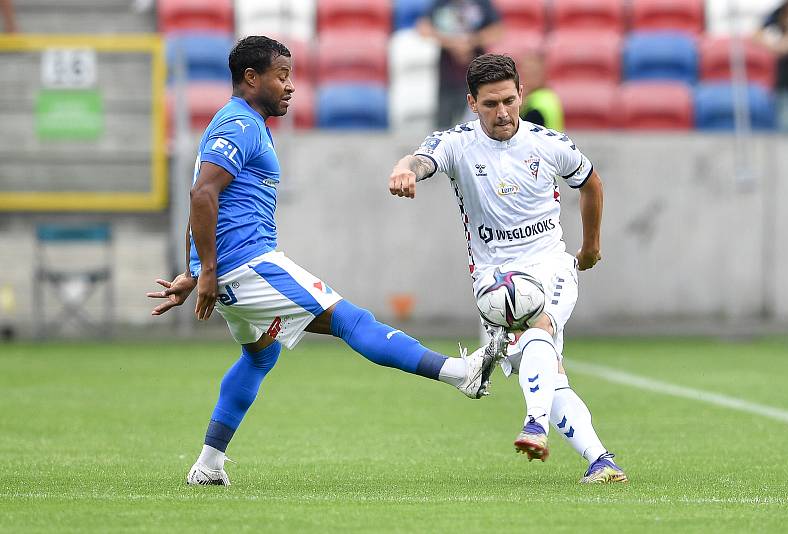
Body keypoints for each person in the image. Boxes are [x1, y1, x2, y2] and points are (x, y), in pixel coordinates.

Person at [147, 36, 495, 486]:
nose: (291, 86)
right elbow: (202, 194)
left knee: (259, 358)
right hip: (248, 265)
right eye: (282, 76)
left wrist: (195, 272)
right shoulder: (240, 125)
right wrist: (206, 272)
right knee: (352, 321)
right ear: (251, 78)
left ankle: (209, 465)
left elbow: (207, 193)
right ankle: (459, 373)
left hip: (231, 268)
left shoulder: (241, 123)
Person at [387, 54, 627, 484]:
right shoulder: (458, 143)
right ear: (472, 103)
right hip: (493, 277)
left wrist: (590, 246)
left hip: (550, 262)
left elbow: (590, 182)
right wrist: (405, 169)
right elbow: (422, 159)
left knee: (541, 327)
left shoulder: (548, 143)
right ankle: (600, 460)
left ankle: (534, 425)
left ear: (521, 95)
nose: (502, 112)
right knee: (550, 375)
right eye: (491, 104)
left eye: (509, 101)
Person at [417, 0, 503, 129]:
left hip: (477, 76)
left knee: (476, 125)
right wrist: (453, 44)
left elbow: (498, 31)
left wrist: (470, 42)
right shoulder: (441, 3)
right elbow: (423, 29)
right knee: (444, 126)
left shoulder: (482, 3)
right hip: (448, 77)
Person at [757, 0, 788, 131]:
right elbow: (758, 33)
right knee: (787, 129)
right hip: (787, 82)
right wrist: (775, 46)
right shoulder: (781, 11)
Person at [518, 51, 563, 131]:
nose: (525, 78)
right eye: (523, 73)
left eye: (531, 73)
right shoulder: (550, 96)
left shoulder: (535, 106)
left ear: (543, 75)